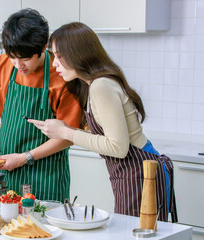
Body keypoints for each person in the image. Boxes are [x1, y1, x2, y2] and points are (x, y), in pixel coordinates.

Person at [28, 22, 177, 222]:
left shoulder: (101, 86)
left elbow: (117, 147)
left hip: (141, 174)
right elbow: (109, 139)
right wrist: (64, 129)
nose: (54, 64)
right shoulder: (95, 84)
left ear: (77, 53)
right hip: (133, 172)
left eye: (59, 56)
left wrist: (66, 133)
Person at [0, 9, 82, 202]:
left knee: (43, 228)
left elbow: (68, 136)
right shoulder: (0, 65)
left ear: (44, 47)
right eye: (12, 56)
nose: (18, 64)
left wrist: (24, 157)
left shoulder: (62, 73)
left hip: (46, 174)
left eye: (26, 58)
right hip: (4, 168)